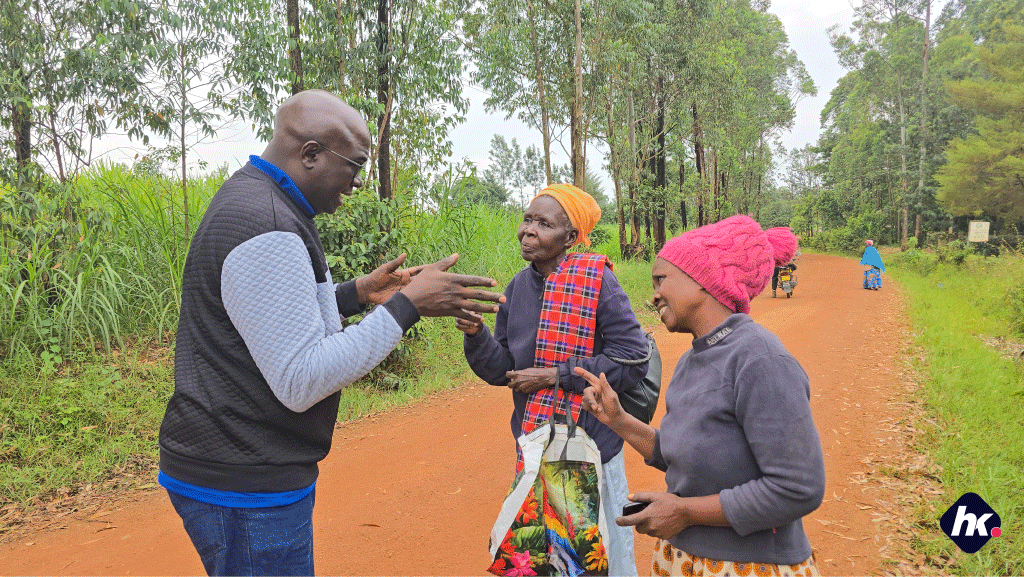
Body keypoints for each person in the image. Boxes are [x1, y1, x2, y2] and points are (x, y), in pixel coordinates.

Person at [158, 89, 505, 576]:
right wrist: (408, 307)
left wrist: (360, 293)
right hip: (245, 485)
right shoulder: (269, 224)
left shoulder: (257, 197)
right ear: (311, 155)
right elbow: (301, 379)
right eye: (355, 166)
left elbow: (267, 316)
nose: (359, 183)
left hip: (234, 466)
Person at [574, 215, 826, 576]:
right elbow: (679, 455)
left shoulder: (760, 359)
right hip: (683, 559)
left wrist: (686, 512)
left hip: (748, 566)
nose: (654, 294)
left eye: (662, 279)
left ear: (705, 280)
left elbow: (799, 488)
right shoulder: (693, 359)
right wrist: (618, 421)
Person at [458, 183, 650, 576]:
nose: (528, 230)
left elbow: (632, 361)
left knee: (608, 557)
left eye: (543, 223)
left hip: (592, 446)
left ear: (571, 237)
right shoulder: (516, 288)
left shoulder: (597, 280)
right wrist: (476, 336)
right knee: (540, 554)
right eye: (527, 220)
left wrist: (556, 375)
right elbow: (503, 371)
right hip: (535, 444)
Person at [768, 227, 799, 298]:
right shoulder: (786, 245)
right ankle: (790, 282)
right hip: (785, 264)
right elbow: (791, 255)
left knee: (775, 276)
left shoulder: (773, 246)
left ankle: (774, 292)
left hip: (778, 265)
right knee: (793, 267)